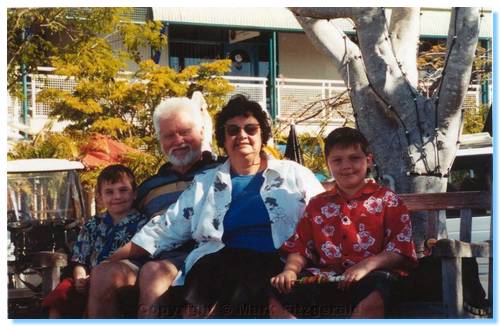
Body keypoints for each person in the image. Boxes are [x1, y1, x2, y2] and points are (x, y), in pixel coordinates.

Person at [110, 94, 324, 318]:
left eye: (250, 129)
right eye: (233, 130)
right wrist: (110, 259)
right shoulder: (206, 182)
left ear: (262, 135)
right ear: (223, 138)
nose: (242, 135)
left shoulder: (293, 174)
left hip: (278, 261)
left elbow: (323, 215)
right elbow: (164, 228)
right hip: (218, 264)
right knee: (211, 290)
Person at [87, 95, 223, 318]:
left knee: (154, 272)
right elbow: (126, 223)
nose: (178, 141)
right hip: (149, 257)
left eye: (185, 131)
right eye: (169, 135)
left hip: (200, 258)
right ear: (161, 141)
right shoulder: (149, 187)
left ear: (201, 132)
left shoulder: (221, 174)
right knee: (102, 274)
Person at [270, 127, 417, 318]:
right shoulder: (317, 204)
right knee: (275, 293)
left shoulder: (388, 200)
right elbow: (300, 247)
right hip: (326, 279)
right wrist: (290, 270)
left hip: (371, 277)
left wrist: (366, 265)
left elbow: (400, 249)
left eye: (354, 158)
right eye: (337, 160)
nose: (346, 166)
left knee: (379, 289)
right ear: (328, 164)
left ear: (369, 160)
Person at [42, 164, 147, 318]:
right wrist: (80, 278)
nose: (117, 196)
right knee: (59, 297)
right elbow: (80, 259)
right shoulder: (92, 224)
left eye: (123, 190)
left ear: (135, 193)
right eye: (109, 192)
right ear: (100, 197)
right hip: (87, 279)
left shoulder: (143, 223)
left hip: (122, 281)